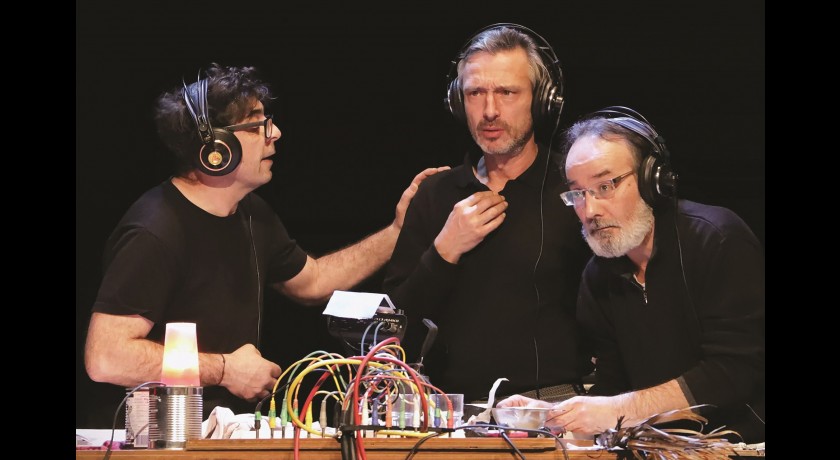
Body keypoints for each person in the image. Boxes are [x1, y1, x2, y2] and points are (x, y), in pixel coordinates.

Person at [84, 63, 447, 419]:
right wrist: (225, 369)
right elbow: (107, 357)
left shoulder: (251, 213)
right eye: (257, 125)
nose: (275, 133)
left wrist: (398, 231)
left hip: (225, 433)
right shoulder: (155, 231)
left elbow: (314, 281)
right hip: (167, 437)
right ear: (217, 147)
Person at [497, 106, 765, 443]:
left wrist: (616, 409)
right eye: (578, 194)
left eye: (605, 186)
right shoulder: (598, 277)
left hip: (745, 442)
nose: (590, 210)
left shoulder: (718, 239)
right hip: (662, 447)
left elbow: (735, 372)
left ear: (653, 180)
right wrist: (556, 415)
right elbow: (616, 390)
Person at [382, 24, 593, 404]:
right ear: (457, 101)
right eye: (475, 93)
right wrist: (444, 251)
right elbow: (394, 327)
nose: (490, 111)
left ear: (541, 99)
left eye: (507, 92)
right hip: (450, 412)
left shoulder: (576, 188)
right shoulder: (434, 193)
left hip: (554, 407)